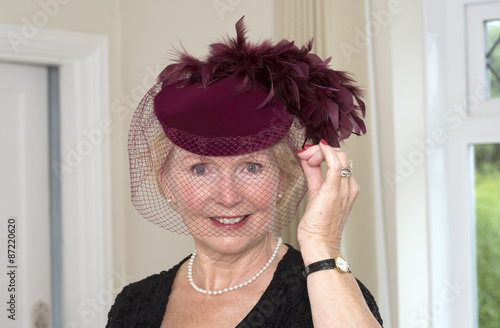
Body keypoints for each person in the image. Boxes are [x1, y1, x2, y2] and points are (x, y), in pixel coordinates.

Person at [107, 17, 383, 327]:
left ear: (284, 178)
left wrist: (323, 243)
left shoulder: (327, 293)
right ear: (167, 184)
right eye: (200, 169)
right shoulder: (133, 305)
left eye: (251, 168)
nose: (228, 197)